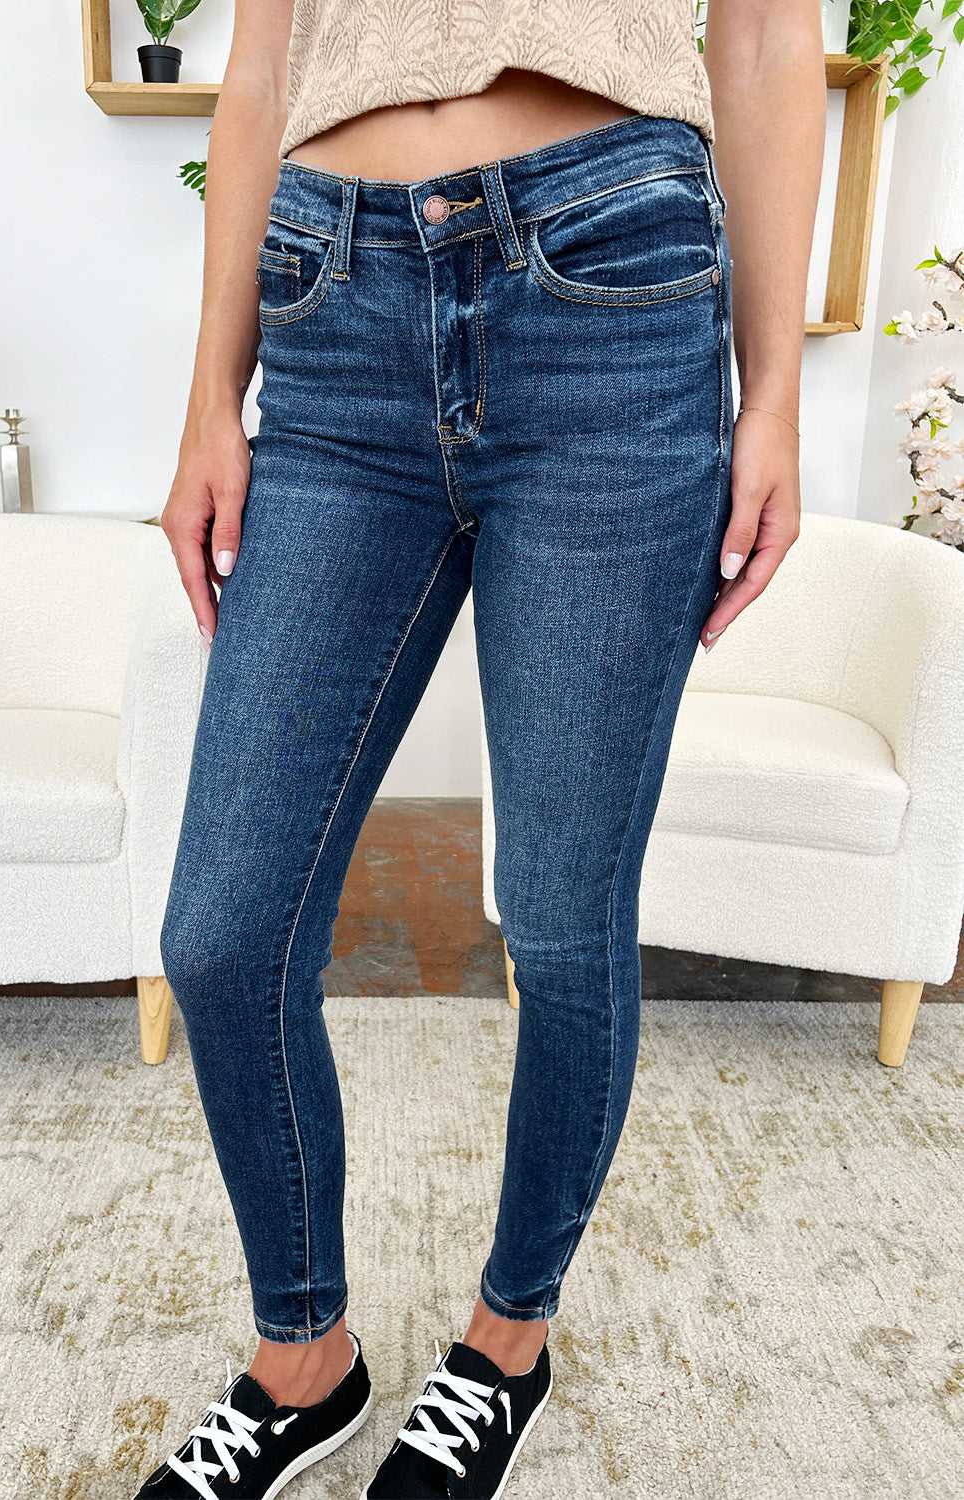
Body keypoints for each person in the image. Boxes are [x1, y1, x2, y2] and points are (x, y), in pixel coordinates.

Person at [138, 1, 825, 1495]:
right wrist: (209, 396)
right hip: (329, 305)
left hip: (613, 290)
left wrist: (771, 395)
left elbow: (770, 39)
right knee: (223, 935)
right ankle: (302, 1356)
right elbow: (260, 63)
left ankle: (507, 1342)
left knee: (567, 922)